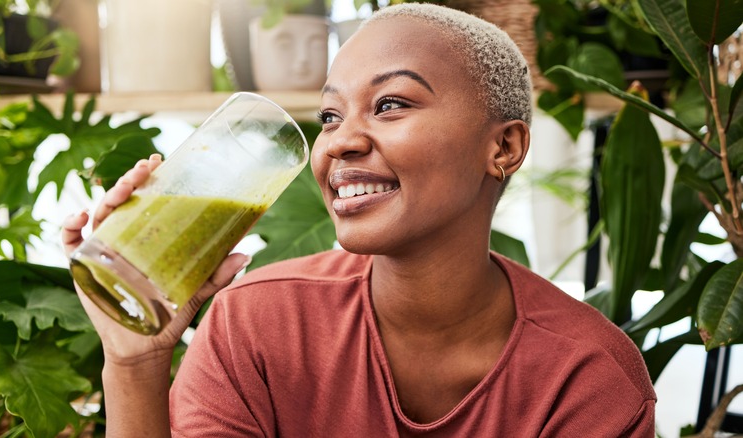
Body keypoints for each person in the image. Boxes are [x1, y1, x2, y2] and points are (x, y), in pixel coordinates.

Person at [62, 3, 656, 436]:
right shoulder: (256, 324)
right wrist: (133, 361)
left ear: (503, 148)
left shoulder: (587, 379)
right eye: (327, 115)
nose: (340, 141)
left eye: (390, 103)